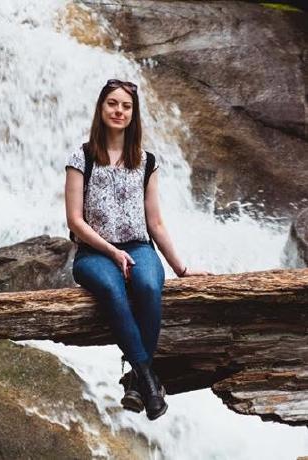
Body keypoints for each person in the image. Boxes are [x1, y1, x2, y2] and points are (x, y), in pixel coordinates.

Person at [64, 78, 211, 421]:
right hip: (93, 252)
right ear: (101, 108)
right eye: (112, 103)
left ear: (134, 114)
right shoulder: (81, 156)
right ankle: (148, 381)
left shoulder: (146, 161)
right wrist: (112, 252)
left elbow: (155, 223)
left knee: (147, 285)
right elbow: (74, 221)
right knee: (114, 291)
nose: (119, 111)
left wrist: (182, 269)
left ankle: (134, 382)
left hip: (139, 246)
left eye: (126, 106)